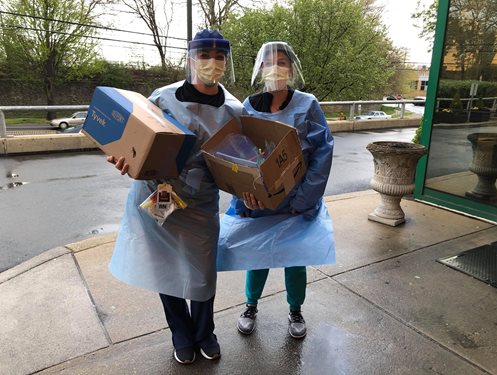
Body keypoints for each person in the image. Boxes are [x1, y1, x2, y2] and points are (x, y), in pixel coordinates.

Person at [106, 29, 242, 364]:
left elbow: (240, 161)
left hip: (202, 201)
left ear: (226, 62)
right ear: (191, 59)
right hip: (161, 195)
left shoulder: (234, 110)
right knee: (165, 264)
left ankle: (204, 332)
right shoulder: (162, 98)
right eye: (204, 55)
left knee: (203, 270)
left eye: (219, 56)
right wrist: (126, 159)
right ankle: (180, 333)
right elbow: (137, 142)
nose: (211, 63)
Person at [216, 41, 334, 339]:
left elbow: (322, 153)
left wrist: (304, 200)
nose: (276, 68)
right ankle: (250, 305)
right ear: (260, 68)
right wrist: (246, 198)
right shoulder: (246, 108)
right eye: (269, 62)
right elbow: (236, 157)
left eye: (282, 62)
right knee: (257, 257)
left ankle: (295, 309)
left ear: (291, 69)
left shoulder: (308, 105)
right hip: (259, 203)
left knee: (295, 260)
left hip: (296, 204)